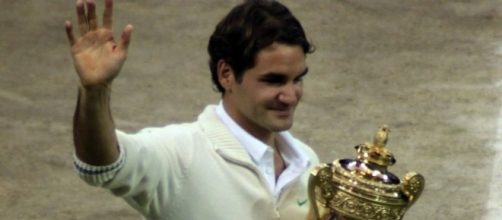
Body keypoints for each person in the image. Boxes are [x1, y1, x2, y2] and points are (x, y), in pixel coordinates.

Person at [65, 0, 319, 219]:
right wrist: (95, 90)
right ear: (226, 74)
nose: (290, 96)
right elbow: (103, 164)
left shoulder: (307, 163)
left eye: (297, 79)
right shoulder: (179, 155)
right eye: (273, 80)